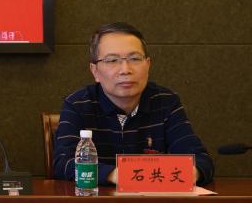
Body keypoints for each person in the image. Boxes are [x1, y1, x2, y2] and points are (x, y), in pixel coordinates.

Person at [53, 22, 213, 185]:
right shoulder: (78, 105)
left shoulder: (166, 102)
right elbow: (63, 164)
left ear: (148, 65)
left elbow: (201, 160)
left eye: (135, 59)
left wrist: (192, 172)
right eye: (112, 60)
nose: (125, 70)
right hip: (96, 200)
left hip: (154, 199)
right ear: (95, 71)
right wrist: (118, 175)